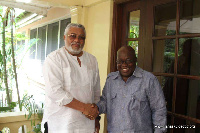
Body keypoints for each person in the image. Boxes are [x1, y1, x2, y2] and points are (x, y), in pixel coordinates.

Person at [42, 23, 100, 133]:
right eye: (72, 36)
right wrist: (84, 108)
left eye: (81, 37)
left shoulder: (92, 60)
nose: (77, 40)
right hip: (61, 124)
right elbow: (54, 92)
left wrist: (96, 118)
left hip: (86, 124)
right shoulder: (54, 59)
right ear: (64, 37)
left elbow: (96, 92)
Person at [96, 46, 167, 133]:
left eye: (128, 60)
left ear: (135, 60)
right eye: (120, 61)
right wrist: (95, 109)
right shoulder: (111, 79)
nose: (124, 64)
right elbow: (105, 102)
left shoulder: (149, 80)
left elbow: (159, 110)